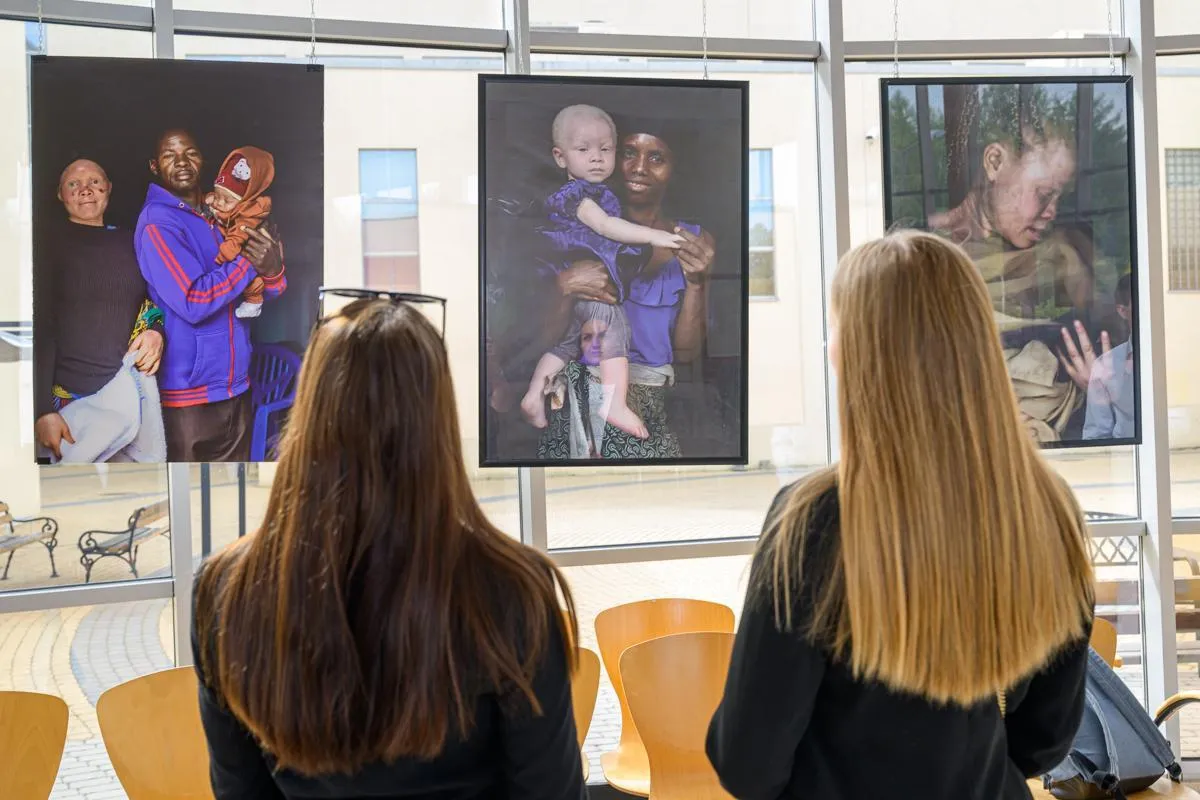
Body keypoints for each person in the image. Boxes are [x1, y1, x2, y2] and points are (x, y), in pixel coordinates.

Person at [706, 232, 1094, 799]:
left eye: (835, 328)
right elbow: (1043, 742)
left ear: (859, 352)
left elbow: (748, 763)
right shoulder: (1047, 506)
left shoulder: (816, 520)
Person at [192, 299, 586, 799]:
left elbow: (240, 790)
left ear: (309, 411)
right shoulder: (512, 591)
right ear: (438, 419)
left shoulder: (226, 589)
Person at [531, 125, 715, 460]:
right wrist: (564, 287)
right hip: (574, 401)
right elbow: (542, 340)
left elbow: (687, 352)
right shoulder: (571, 229)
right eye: (629, 153)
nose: (639, 167)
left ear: (674, 168)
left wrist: (696, 283)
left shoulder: (693, 241)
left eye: (656, 158)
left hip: (647, 404)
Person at [925, 87, 1097, 443]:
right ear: (994, 162)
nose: (1052, 211)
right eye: (1044, 193)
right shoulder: (930, 254)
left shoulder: (1058, 255)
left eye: (1059, 197)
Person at [135, 129, 286, 462]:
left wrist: (273, 268)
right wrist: (248, 261)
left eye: (190, 153)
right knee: (189, 491)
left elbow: (269, 293)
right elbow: (194, 301)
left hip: (236, 386)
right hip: (188, 399)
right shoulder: (158, 223)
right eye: (169, 155)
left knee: (233, 490)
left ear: (202, 160)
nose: (181, 162)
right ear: (154, 166)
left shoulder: (223, 214)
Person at [34, 158, 166, 463]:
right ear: (60, 195)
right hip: (68, 403)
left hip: (126, 393)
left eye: (94, 181)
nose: (85, 190)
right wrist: (42, 410)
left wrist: (155, 332)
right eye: (73, 184)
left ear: (108, 188)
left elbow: (155, 300)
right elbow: (41, 328)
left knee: (130, 485)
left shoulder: (132, 241)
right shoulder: (46, 245)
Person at [205, 146, 275, 319]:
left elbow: (237, 237)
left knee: (250, 280)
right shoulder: (227, 205)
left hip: (241, 249)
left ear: (244, 201)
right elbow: (221, 199)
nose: (219, 203)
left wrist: (224, 254)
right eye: (218, 196)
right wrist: (210, 199)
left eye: (226, 200)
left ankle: (254, 301)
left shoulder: (248, 216)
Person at [1083, 273, 1135, 440]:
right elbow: (1097, 435)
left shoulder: (1182, 352)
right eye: (1141, 303)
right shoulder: (1105, 365)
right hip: (1128, 454)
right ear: (1123, 311)